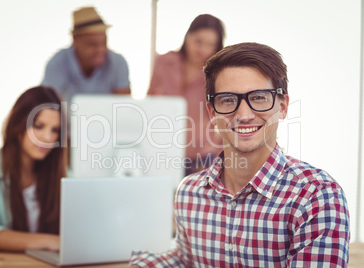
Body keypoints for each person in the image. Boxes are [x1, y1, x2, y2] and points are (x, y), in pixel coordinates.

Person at [130, 42, 350, 267]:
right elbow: (187, 261)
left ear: (283, 106)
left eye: (259, 97)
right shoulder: (189, 193)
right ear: (212, 112)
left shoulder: (317, 196)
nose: (244, 115)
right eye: (228, 100)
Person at [0, 86, 67, 251]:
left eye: (55, 130)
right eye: (39, 126)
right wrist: (51, 242)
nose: (48, 138)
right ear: (19, 124)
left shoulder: (64, 176)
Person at [148, 14, 225, 175]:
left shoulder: (217, 74)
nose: (202, 49)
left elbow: (222, 115)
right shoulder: (164, 62)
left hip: (202, 155)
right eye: (198, 41)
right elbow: (150, 101)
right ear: (187, 36)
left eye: (210, 44)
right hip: (164, 151)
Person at [41, 6, 131, 102]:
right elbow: (46, 104)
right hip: (67, 117)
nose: (101, 50)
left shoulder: (118, 63)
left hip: (108, 117)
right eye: (92, 44)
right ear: (75, 40)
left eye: (104, 42)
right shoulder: (58, 63)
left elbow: (123, 107)